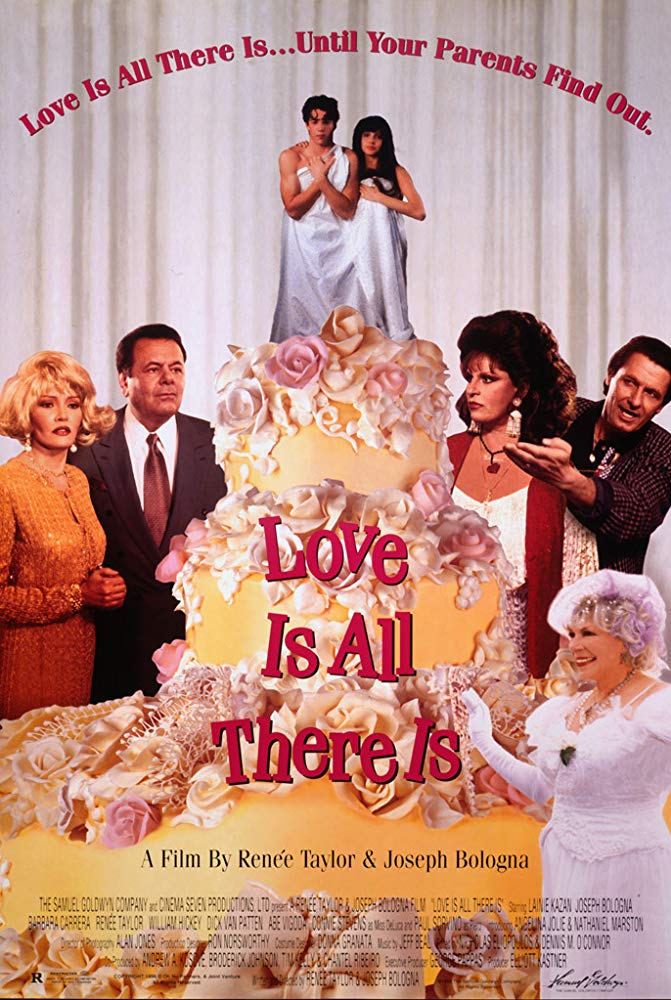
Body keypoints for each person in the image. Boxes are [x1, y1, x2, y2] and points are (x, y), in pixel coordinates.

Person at [464, 569, 671, 999]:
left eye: (588, 633)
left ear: (627, 638)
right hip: (567, 864)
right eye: (571, 634)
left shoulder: (658, 704)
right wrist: (483, 738)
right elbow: (540, 788)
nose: (574, 645)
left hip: (629, 866)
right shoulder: (567, 708)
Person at [71, 323, 227, 700]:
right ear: (124, 380)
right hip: (110, 649)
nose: (168, 379)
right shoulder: (85, 446)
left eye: (176, 369)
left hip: (195, 647)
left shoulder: (217, 444)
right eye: (154, 369)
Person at [447, 310, 584, 677]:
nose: (472, 389)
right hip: (439, 668)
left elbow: (575, 601)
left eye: (488, 378)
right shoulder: (442, 456)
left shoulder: (553, 473)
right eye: (470, 377)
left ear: (521, 390)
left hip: (518, 677)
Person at [0, 352, 126, 719]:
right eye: (47, 404)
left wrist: (105, 584)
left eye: (72, 405)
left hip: (80, 658)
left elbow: (78, 561)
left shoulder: (77, 480)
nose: (62, 415)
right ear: (26, 413)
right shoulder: (7, 484)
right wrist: (78, 595)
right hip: (23, 662)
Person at [506, 335, 671, 573]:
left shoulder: (663, 449)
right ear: (610, 376)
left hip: (603, 590)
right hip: (533, 574)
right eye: (629, 382)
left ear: (660, 407)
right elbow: (505, 421)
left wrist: (571, 482)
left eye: (651, 394)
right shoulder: (564, 409)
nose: (635, 400)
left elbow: (636, 514)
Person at [270, 95, 363, 343]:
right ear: (306, 124)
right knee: (300, 312)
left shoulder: (348, 158)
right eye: (314, 121)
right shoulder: (290, 157)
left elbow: (347, 210)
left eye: (326, 121)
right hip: (303, 246)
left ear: (335, 123)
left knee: (342, 319)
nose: (320, 127)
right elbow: (293, 209)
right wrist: (317, 180)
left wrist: (322, 179)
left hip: (340, 247)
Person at [348, 115, 425, 341]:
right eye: (367, 135)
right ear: (358, 138)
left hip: (387, 241)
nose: (372, 141)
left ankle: (392, 340)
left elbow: (418, 211)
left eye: (378, 137)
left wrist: (379, 197)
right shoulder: (350, 170)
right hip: (357, 238)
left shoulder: (396, 171)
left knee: (387, 286)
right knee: (362, 289)